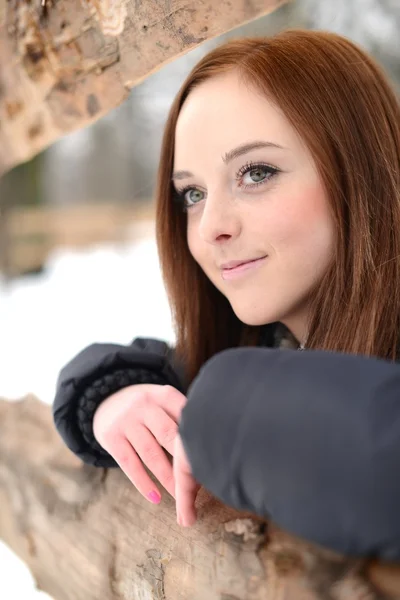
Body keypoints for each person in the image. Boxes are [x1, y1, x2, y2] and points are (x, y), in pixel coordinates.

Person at [53, 29, 400, 560]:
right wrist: (114, 392)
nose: (210, 225)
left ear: (358, 171)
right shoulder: (268, 346)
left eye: (255, 173)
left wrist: (225, 405)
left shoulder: (244, 376)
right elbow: (169, 366)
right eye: (192, 193)